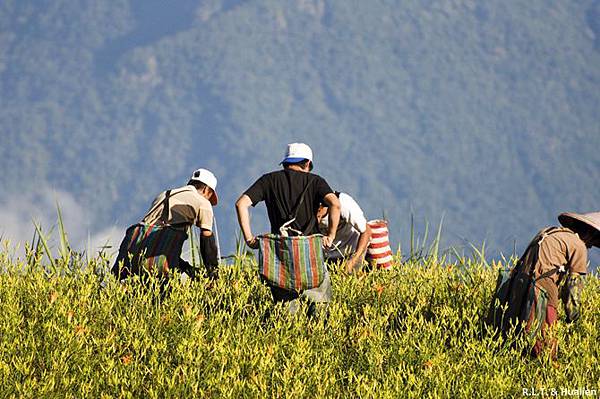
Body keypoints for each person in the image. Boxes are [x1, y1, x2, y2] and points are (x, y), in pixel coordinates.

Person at [235, 142, 341, 307]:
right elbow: (335, 204)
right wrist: (330, 237)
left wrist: (249, 239)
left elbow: (241, 203)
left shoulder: (268, 180)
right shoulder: (316, 181)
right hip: (310, 252)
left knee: (286, 313)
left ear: (285, 163)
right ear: (307, 163)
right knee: (320, 310)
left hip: (280, 255)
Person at [112, 168, 220, 282]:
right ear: (206, 190)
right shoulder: (203, 202)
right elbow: (206, 238)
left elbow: (154, 242)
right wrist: (213, 274)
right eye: (210, 195)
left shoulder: (163, 195)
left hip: (131, 256)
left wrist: (187, 268)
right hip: (155, 266)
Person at [521, 211, 600, 359]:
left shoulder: (548, 233)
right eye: (593, 241)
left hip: (520, 285)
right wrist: (574, 320)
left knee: (524, 335)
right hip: (543, 288)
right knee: (546, 346)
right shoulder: (579, 246)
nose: (590, 247)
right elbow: (573, 290)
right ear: (589, 234)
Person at [316, 192, 372, 273]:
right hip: (326, 258)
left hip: (351, 252)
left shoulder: (344, 204)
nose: (317, 220)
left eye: (318, 215)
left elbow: (366, 231)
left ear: (321, 207)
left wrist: (353, 260)